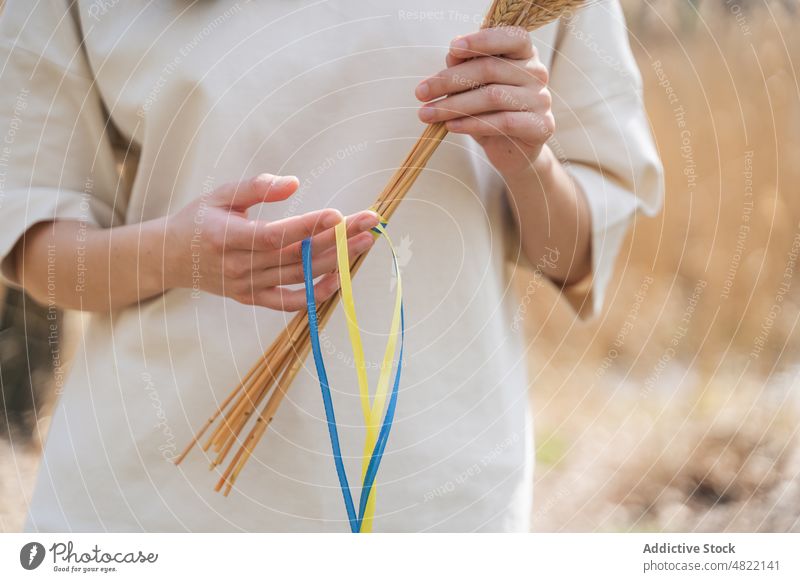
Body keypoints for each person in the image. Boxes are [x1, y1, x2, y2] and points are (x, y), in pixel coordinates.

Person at [0, 0, 662, 532]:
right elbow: (33, 245)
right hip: (147, 506)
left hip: (431, 497)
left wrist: (526, 160)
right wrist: (177, 256)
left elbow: (573, 256)